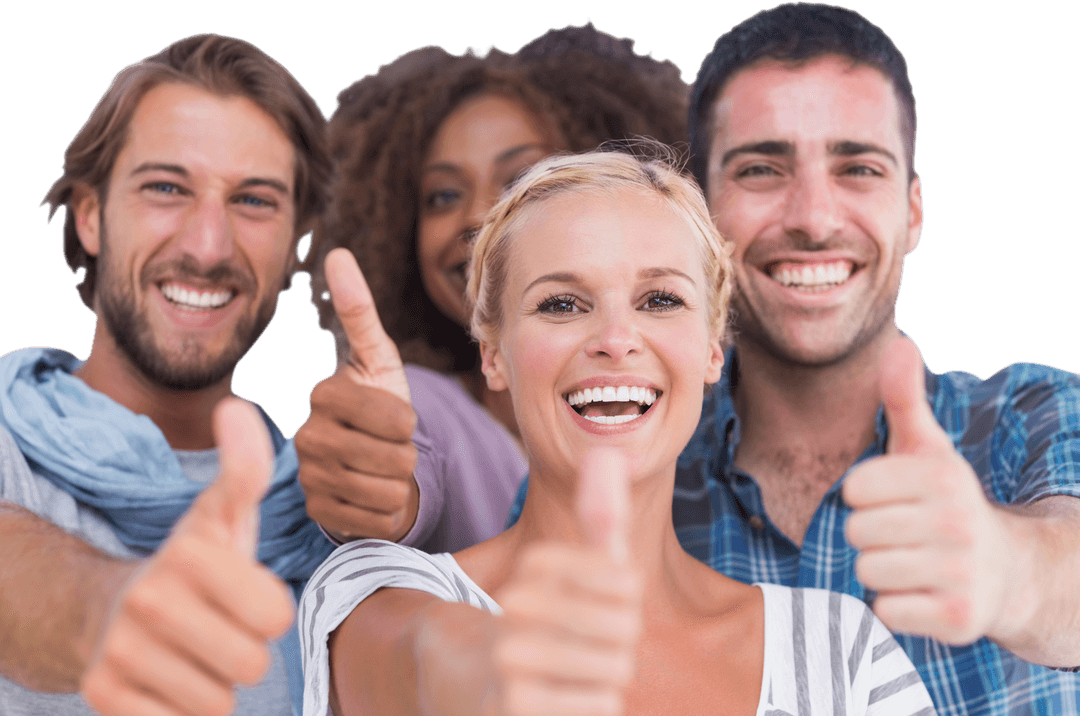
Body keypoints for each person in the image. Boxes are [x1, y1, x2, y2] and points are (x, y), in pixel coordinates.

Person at [512, 4, 1080, 713]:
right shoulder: (615, 456)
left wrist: (1006, 571)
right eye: (761, 169)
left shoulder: (1036, 415)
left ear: (913, 213)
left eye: (858, 168)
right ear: (705, 220)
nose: (813, 217)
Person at [298, 149, 936, 716]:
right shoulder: (373, 592)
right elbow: (430, 664)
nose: (614, 340)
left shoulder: (841, 652)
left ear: (712, 348)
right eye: (561, 304)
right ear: (494, 355)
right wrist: (500, 679)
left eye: (660, 300)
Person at [0, 34, 335, 716]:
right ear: (90, 216)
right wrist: (112, 610)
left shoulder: (322, 521)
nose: (206, 246)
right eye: (165, 188)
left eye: (254, 201)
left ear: (295, 244)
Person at [294, 23, 689, 552]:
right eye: (442, 195)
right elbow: (400, 469)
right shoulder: (426, 405)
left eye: (519, 180)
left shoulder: (679, 402)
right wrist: (374, 489)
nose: (479, 214)